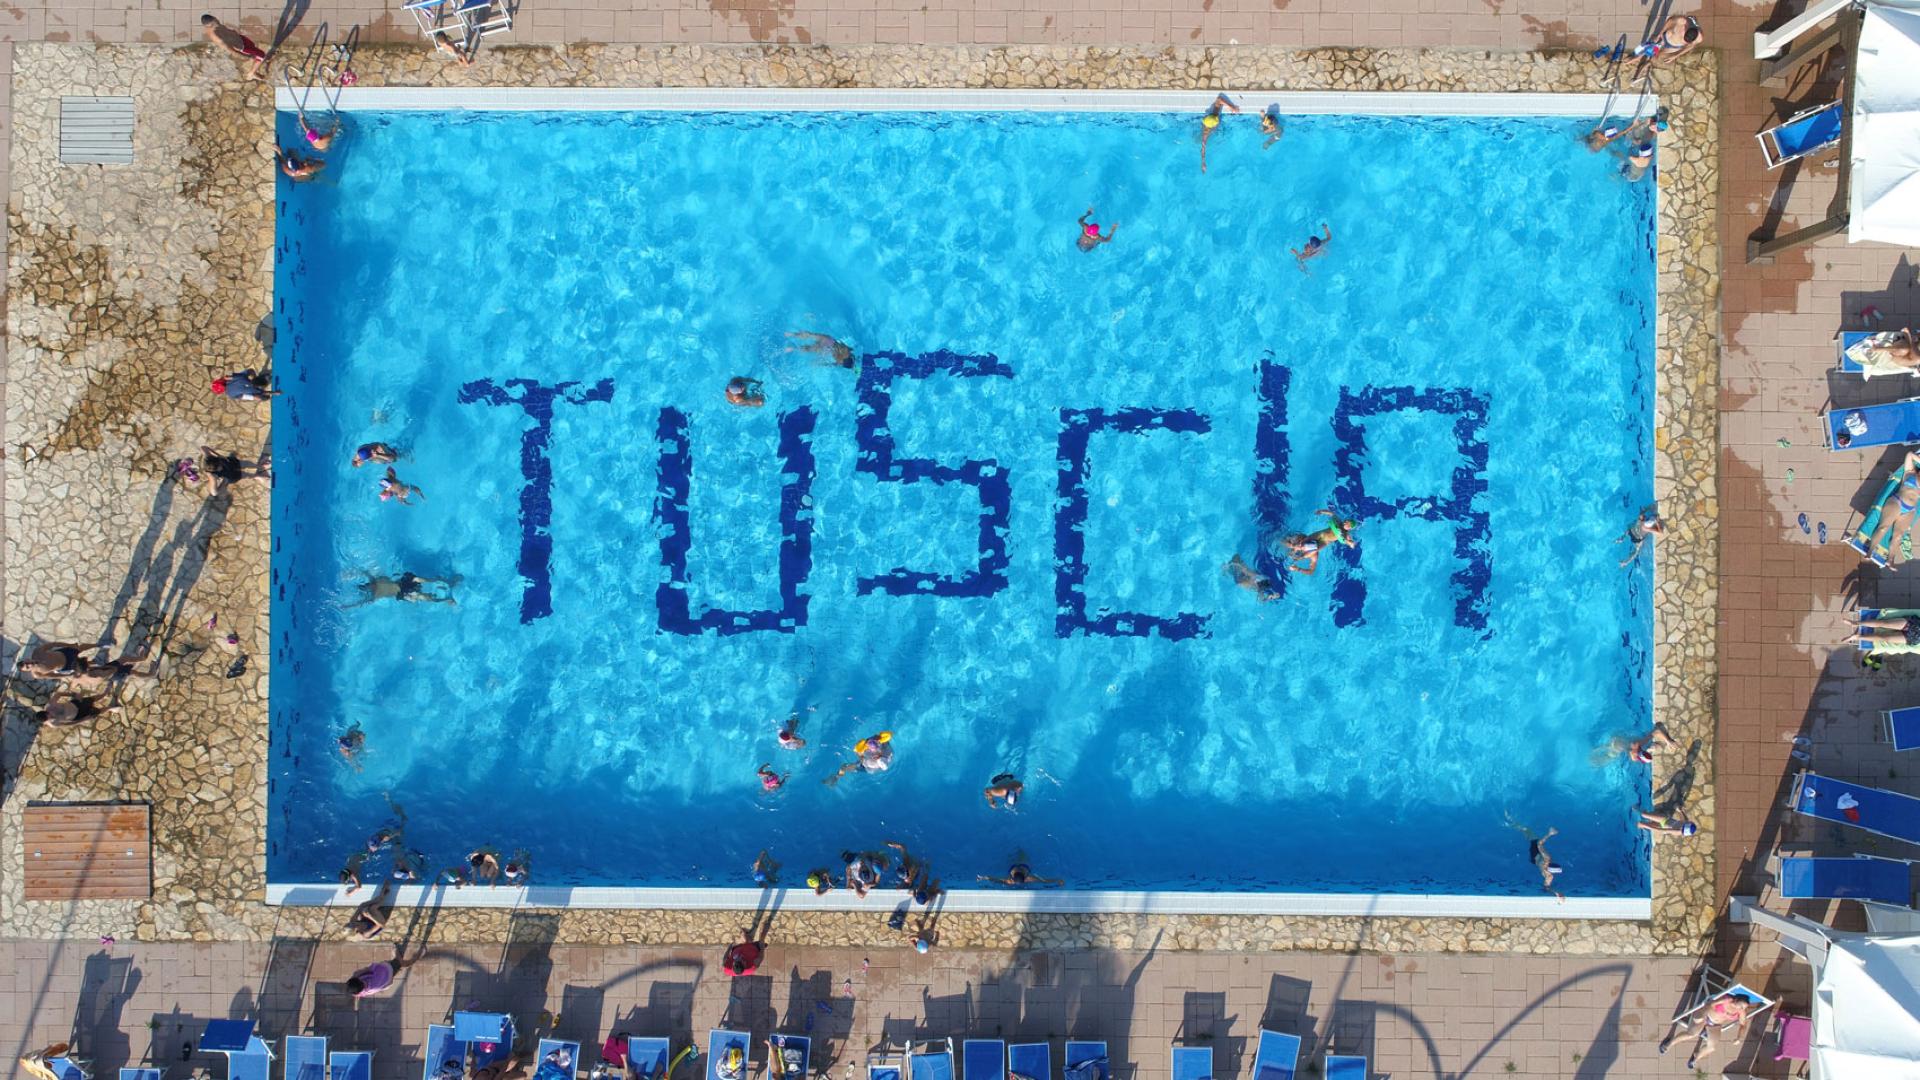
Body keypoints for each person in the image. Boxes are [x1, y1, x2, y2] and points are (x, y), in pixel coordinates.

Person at [1658, 989, 1757, 1069]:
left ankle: (1696, 1057)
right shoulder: (1726, 1000)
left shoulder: (1740, 1012)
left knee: (1712, 1047)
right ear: (1735, 1000)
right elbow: (1710, 1004)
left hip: (1715, 1024)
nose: (1742, 1009)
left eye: (1744, 1008)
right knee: (1692, 1034)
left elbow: (1743, 1025)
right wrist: (1703, 1016)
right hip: (1705, 1015)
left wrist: (1739, 1038)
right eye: (1741, 1006)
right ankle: (1670, 1043)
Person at [1283, 509, 1358, 574]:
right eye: (1346, 521)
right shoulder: (1338, 521)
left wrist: (1351, 543)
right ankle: (1287, 546)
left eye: (1347, 524)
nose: (1345, 522)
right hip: (1319, 535)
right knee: (1301, 545)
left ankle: (1289, 549)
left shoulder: (1346, 535)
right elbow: (1331, 513)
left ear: (1350, 528)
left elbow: (1348, 541)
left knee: (1301, 547)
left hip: (1324, 542)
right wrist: (1321, 511)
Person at [1509, 817, 1565, 902]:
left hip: (1535, 852)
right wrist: (1556, 893)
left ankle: (1510, 821)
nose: (1547, 864)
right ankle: (1512, 823)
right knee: (1527, 833)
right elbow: (1546, 887)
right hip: (1533, 860)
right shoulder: (1549, 876)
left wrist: (1549, 834)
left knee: (1526, 830)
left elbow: (1539, 844)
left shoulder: (1547, 858)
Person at [202, 14, 269, 79]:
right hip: (241, 46)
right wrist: (242, 55)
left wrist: (233, 31)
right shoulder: (216, 37)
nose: (216, 23)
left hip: (240, 38)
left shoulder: (216, 23)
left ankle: (255, 58)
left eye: (215, 20)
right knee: (261, 55)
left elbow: (224, 30)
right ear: (208, 26)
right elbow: (229, 49)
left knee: (253, 47)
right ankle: (251, 73)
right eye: (213, 24)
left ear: (214, 18)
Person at [346, 572, 457, 607]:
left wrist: (350, 573)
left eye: (367, 586)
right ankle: (446, 598)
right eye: (367, 587)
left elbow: (364, 572)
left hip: (401, 585)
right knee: (419, 595)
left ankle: (436, 582)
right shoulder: (375, 594)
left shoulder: (374, 583)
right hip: (402, 592)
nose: (369, 586)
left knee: (417, 582)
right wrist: (348, 606)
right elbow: (362, 602)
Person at [825, 731, 894, 786]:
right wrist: (877, 737)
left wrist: (859, 751)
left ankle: (837, 777)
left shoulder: (870, 760)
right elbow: (885, 738)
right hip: (879, 764)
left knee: (844, 766)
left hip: (867, 768)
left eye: (869, 748)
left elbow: (860, 758)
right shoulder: (887, 750)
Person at [1199, 93, 1240, 173]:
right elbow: (1203, 146)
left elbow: (1219, 99)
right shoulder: (1206, 132)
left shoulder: (1214, 114)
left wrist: (1232, 107)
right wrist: (1203, 162)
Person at [345, 952, 415, 997]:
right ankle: (412, 960)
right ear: (359, 980)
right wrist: (368, 969)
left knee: (395, 966)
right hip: (387, 972)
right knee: (399, 963)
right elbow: (381, 970)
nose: (354, 975)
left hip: (383, 977)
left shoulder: (359, 992)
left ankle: (398, 962)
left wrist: (358, 974)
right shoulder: (374, 983)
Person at [36, 692, 119, 728]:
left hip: (75, 704)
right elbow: (70, 724)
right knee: (96, 712)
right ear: (46, 721)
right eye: (50, 717)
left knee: (92, 699)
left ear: (46, 711)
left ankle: (104, 694)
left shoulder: (50, 705)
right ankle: (110, 708)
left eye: (49, 713)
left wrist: (73, 694)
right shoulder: (53, 724)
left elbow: (58, 694)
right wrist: (84, 719)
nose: (52, 714)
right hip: (78, 715)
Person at [20, 641, 94, 679]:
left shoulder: (37, 652)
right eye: (27, 667)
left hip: (65, 654)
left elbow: (53, 644)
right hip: (66, 666)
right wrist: (67, 676)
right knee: (84, 666)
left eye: (27, 662)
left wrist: (70, 645)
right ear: (28, 671)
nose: (29, 664)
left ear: (27, 659)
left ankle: (99, 645)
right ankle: (95, 662)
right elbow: (52, 676)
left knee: (80, 648)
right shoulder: (37, 674)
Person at [786, 331, 856, 368]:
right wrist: (820, 364)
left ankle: (793, 335)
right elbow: (833, 364)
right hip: (827, 348)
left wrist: (821, 364)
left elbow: (832, 364)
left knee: (810, 335)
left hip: (829, 341)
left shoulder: (847, 351)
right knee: (809, 348)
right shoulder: (842, 360)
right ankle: (793, 348)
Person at [977, 857, 1061, 888]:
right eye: (1014, 882)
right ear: (1012, 878)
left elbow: (1044, 881)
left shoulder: (1029, 878)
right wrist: (983, 877)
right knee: (1012, 858)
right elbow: (996, 879)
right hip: (1013, 866)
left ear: (1025, 879)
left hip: (1025, 865)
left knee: (1022, 856)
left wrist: (1058, 880)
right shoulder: (1010, 880)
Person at [1850, 611, 1920, 647]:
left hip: (1915, 638)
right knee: (1885, 623)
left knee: (1885, 638)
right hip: (1915, 624)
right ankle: (1856, 623)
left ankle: (1857, 637)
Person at [212, 369, 280, 402]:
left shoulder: (231, 395)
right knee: (250, 371)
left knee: (261, 396)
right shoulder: (229, 379)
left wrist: (275, 393)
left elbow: (248, 397)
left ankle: (266, 396)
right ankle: (262, 379)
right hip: (253, 381)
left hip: (255, 389)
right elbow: (247, 372)